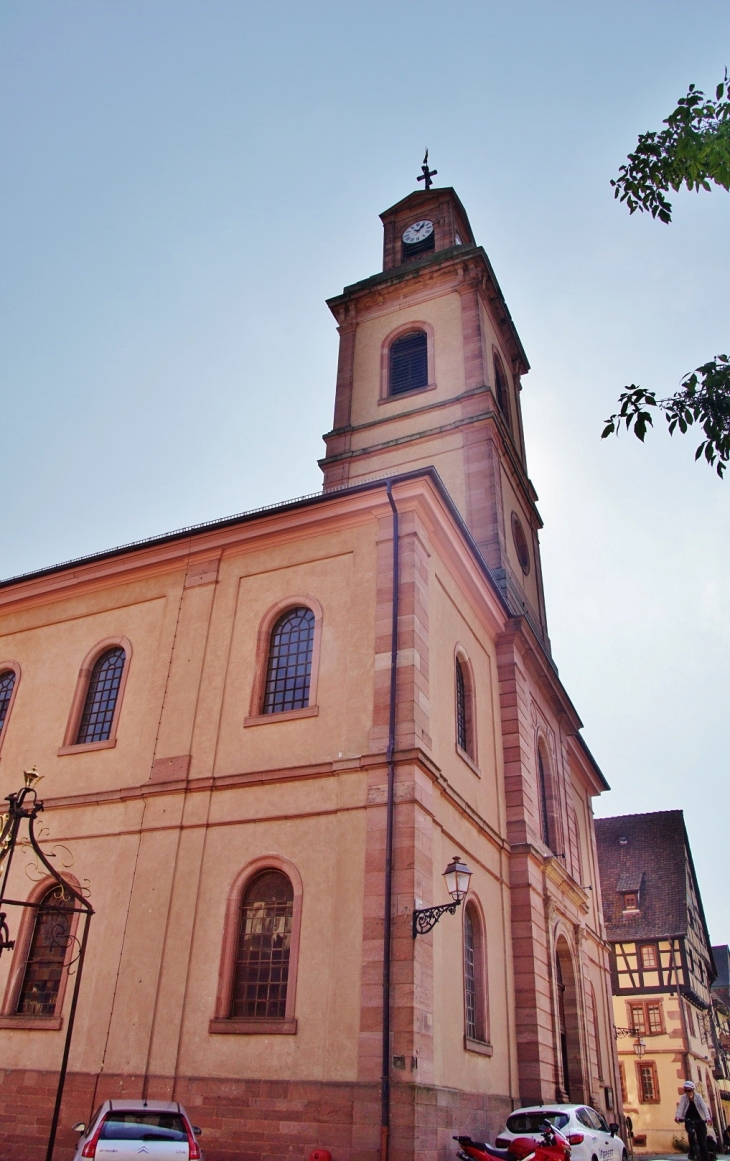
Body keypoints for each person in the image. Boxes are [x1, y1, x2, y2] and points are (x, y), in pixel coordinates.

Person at [676, 1081, 713, 1161]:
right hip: (689, 1120)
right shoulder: (683, 1098)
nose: (687, 1093)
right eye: (686, 1091)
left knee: (702, 1143)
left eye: (689, 1091)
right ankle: (692, 1152)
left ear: (693, 1090)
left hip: (700, 1120)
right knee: (691, 1133)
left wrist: (708, 1118)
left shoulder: (698, 1097)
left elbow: (704, 1108)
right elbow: (680, 1107)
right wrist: (678, 1117)